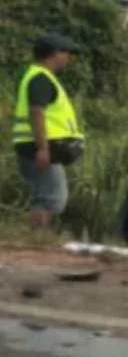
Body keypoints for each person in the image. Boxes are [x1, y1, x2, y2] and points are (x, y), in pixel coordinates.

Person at [11, 33, 85, 228]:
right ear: (53, 54)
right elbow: (37, 112)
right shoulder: (40, 79)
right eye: (66, 53)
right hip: (40, 147)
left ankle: (37, 237)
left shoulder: (35, 76)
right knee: (51, 198)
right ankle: (38, 238)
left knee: (45, 195)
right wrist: (43, 149)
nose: (69, 58)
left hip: (33, 145)